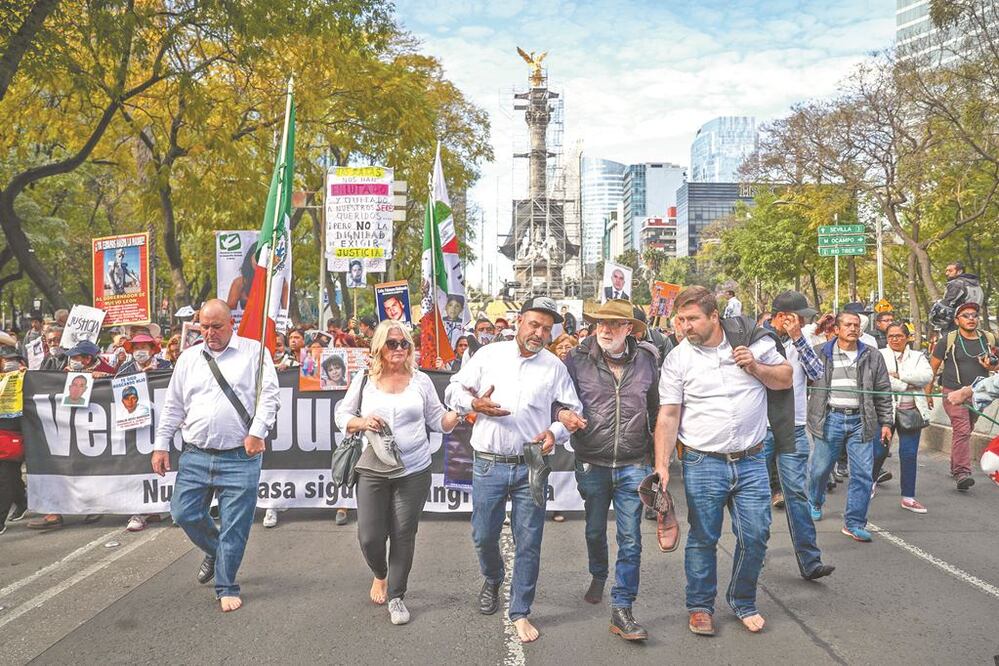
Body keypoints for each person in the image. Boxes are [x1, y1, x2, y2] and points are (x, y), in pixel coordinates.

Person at [653, 286, 792, 636]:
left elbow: (785, 378)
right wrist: (662, 466)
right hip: (703, 463)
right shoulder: (678, 358)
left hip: (751, 460)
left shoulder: (752, 343)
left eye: (693, 319)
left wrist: (756, 367)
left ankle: (743, 600)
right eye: (681, 320)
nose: (686, 327)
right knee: (703, 537)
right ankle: (700, 606)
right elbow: (668, 415)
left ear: (714, 316)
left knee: (757, 534)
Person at [446, 296, 584, 644]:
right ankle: (493, 577)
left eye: (546, 328)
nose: (539, 332)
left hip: (532, 465)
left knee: (529, 541)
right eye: (534, 324)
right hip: (489, 463)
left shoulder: (554, 366)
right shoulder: (488, 355)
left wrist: (555, 431)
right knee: (482, 535)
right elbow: (453, 390)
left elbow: (571, 409)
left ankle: (521, 610)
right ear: (519, 321)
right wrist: (473, 403)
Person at [150, 299, 280, 613]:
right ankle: (217, 549)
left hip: (240, 457)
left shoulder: (254, 352)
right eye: (204, 327)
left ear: (230, 323)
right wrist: (160, 444)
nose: (209, 333)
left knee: (235, 526)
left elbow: (270, 397)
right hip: (195, 454)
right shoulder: (188, 358)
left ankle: (226, 586)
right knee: (183, 513)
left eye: (216, 326)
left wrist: (257, 431)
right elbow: (173, 406)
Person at [335, 321, 460, 625]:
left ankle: (397, 596)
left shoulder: (420, 381)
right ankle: (380, 573)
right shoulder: (365, 379)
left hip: (414, 468)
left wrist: (461, 413)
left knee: (404, 533)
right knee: (369, 536)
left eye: (404, 343)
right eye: (393, 343)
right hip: (374, 468)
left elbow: (437, 420)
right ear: (379, 346)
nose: (400, 349)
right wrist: (363, 422)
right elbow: (342, 414)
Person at [558, 299, 661, 641]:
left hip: (635, 463)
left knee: (631, 538)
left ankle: (622, 608)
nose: (604, 328)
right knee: (593, 529)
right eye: (600, 322)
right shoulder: (575, 360)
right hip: (592, 460)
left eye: (614, 324)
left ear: (629, 329)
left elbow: (658, 409)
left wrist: (660, 461)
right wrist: (563, 415)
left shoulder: (648, 360)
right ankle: (599, 573)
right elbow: (556, 400)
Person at [805, 311, 893, 542]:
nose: (853, 328)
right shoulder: (820, 353)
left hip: (861, 421)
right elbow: (801, 377)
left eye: (856, 325)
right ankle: (815, 499)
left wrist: (886, 422)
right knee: (820, 469)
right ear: (836, 329)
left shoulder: (872, 356)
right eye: (847, 324)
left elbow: (883, 391)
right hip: (829, 419)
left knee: (863, 474)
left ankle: (854, 523)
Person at [766, 291, 836, 580]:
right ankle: (752, 556)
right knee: (755, 497)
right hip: (760, 429)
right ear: (782, 317)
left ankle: (810, 561)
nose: (805, 321)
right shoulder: (759, 339)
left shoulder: (801, 343)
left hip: (793, 427)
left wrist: (798, 338)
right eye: (799, 316)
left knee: (797, 493)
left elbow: (817, 371)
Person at [930, 301, 997, 490]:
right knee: (962, 429)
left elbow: (997, 364)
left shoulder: (988, 338)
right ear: (956, 319)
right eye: (966, 315)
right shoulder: (948, 340)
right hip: (953, 392)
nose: (971, 319)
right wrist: (926, 394)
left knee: (967, 430)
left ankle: (956, 466)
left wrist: (992, 366)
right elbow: (933, 367)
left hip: (979, 393)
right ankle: (962, 472)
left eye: (974, 315)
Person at [876, 322, 933, 512]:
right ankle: (868, 483)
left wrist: (900, 374)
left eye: (899, 335)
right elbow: (882, 380)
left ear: (907, 337)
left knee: (908, 454)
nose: (894, 339)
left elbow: (926, 376)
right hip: (884, 411)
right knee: (878, 451)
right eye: (890, 336)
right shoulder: (879, 355)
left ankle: (908, 497)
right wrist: (908, 384)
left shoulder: (918, 356)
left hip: (911, 413)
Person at [0, 346, 28, 535]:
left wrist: (29, 377)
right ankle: (22, 501)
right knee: (10, 477)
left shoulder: (29, 380)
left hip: (14, 435)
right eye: (5, 360)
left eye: (13, 360)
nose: (8, 363)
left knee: (5, 478)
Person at [931, 261, 984, 332]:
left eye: (950, 271)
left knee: (949, 342)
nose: (947, 273)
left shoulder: (957, 284)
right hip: (973, 322)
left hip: (957, 325)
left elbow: (946, 305)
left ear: (959, 271)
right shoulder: (977, 285)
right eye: (946, 271)